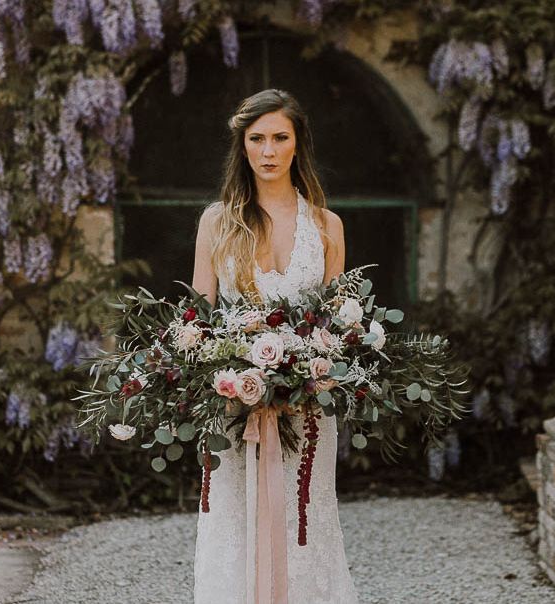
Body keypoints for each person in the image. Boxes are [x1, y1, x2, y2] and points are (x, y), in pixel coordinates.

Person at [191, 88, 359, 604]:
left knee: (305, 515)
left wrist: (314, 365)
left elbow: (338, 323)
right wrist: (219, 363)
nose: (268, 151)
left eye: (279, 138)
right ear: (242, 147)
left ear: (296, 144)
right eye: (256, 139)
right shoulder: (217, 221)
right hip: (233, 399)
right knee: (233, 520)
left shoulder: (327, 226)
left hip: (307, 405)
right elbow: (196, 317)